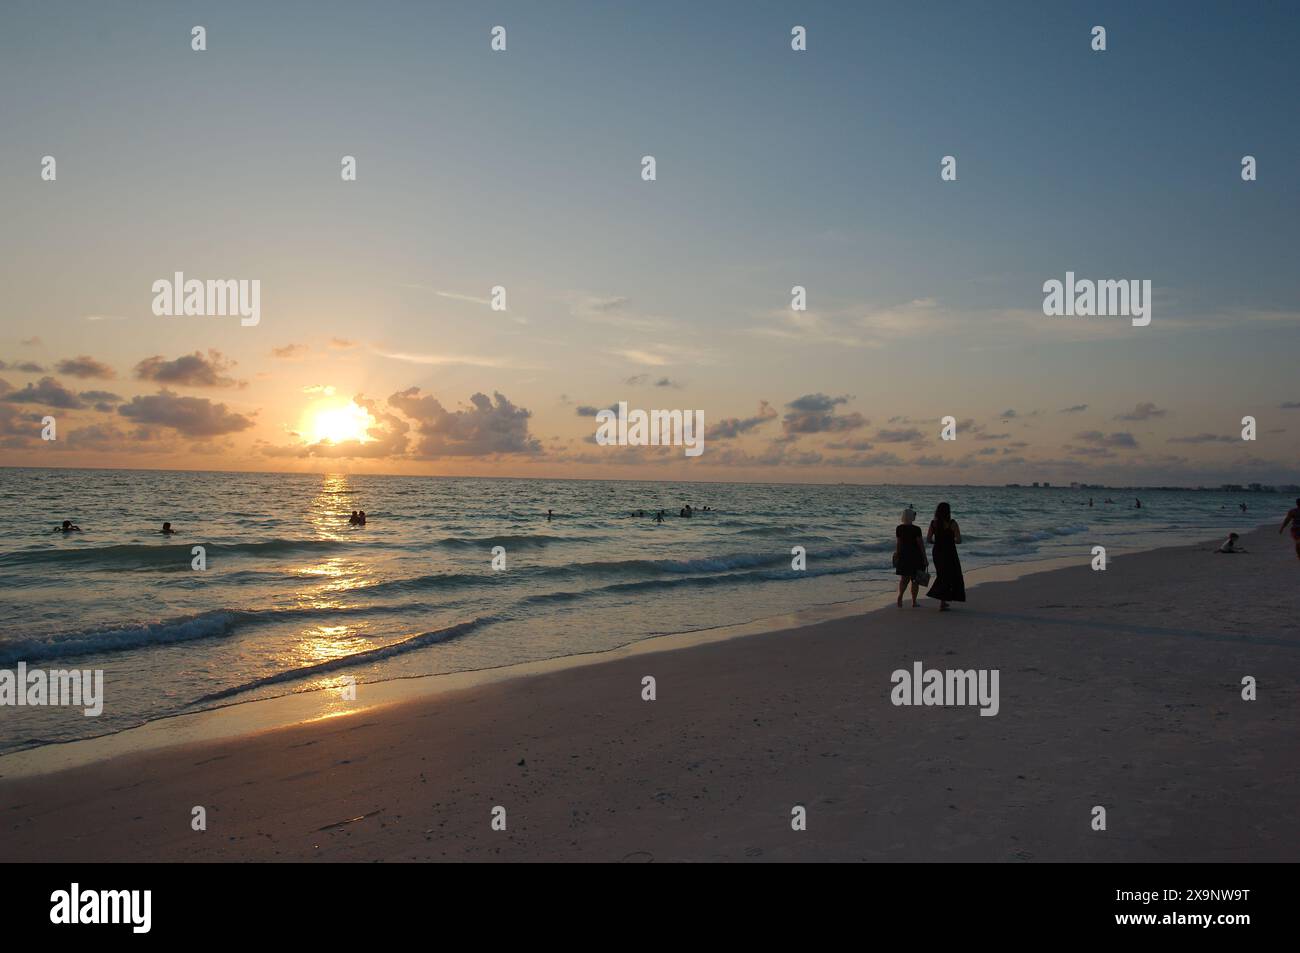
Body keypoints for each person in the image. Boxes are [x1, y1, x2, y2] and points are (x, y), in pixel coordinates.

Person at [925, 502, 965, 611]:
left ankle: (942, 601)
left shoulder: (933, 523)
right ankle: (943, 601)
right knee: (951, 574)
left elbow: (928, 539)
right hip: (950, 551)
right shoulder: (952, 523)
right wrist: (951, 540)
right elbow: (959, 540)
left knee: (941, 574)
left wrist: (937, 542)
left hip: (937, 551)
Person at [893, 507, 928, 608]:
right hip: (915, 557)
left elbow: (898, 543)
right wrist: (925, 558)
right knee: (915, 580)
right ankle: (914, 601)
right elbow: (921, 545)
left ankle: (900, 597)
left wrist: (897, 554)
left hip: (904, 556)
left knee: (904, 579)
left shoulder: (899, 528)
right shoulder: (917, 529)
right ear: (911, 517)